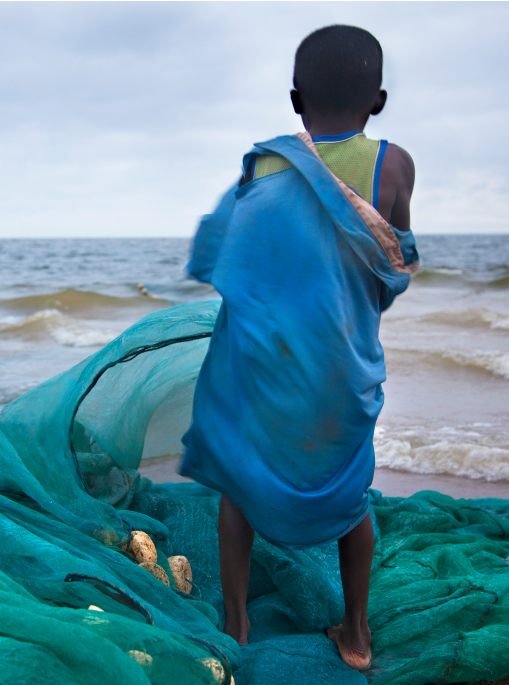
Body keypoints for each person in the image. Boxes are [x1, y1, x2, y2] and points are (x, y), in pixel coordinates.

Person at [180, 24, 418, 671]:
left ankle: (235, 618)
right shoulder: (392, 165)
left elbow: (234, 256)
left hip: (267, 361)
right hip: (343, 365)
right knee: (349, 488)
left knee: (240, 481)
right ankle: (358, 633)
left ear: (294, 98)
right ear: (377, 100)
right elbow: (390, 261)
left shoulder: (266, 162)